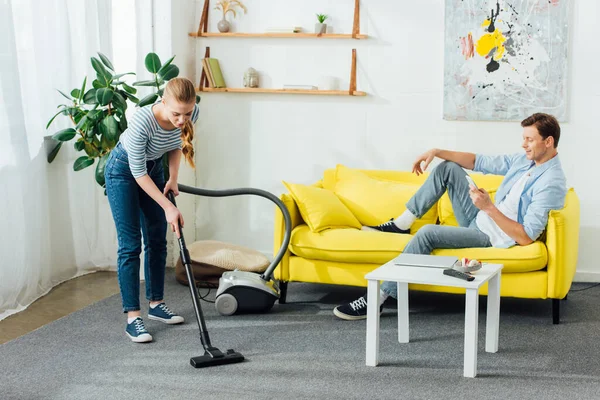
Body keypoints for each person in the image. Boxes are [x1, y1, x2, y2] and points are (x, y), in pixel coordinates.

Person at [333, 113, 568, 321]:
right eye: (524, 138)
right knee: (448, 168)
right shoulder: (524, 160)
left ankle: (378, 298)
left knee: (427, 234)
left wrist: (488, 208)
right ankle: (402, 223)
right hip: (480, 218)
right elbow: (479, 161)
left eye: (529, 139)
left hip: (490, 235)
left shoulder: (551, 182)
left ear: (548, 142)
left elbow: (526, 237)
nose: (523, 144)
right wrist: (436, 152)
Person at [105, 77, 200, 342]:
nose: (182, 119)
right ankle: (133, 318)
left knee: (158, 239)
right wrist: (168, 206)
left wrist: (172, 177)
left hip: (153, 170)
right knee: (130, 244)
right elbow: (137, 173)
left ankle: (156, 305)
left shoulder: (191, 112)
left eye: (187, 113)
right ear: (162, 102)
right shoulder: (142, 122)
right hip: (123, 173)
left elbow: (175, 143)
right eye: (176, 113)